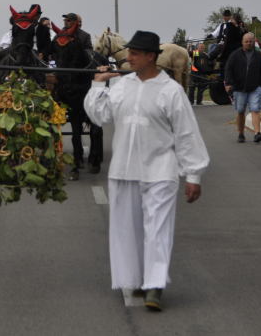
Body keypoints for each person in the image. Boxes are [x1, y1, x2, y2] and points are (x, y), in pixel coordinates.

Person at [85, 31, 209, 312]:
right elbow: (100, 116)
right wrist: (98, 85)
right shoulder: (120, 85)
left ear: (151, 56)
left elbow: (187, 134)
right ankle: (134, 279)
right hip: (123, 170)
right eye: (128, 53)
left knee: (158, 228)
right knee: (126, 230)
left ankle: (155, 285)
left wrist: (194, 175)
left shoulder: (171, 91)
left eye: (135, 53)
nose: (128, 57)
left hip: (161, 171)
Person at [225, 33, 261, 143]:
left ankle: (257, 133)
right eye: (246, 41)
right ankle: (241, 134)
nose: (249, 43)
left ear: (253, 42)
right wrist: (228, 84)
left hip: (255, 88)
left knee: (255, 110)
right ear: (242, 42)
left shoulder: (259, 55)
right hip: (239, 88)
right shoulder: (235, 55)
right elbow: (228, 69)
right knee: (240, 111)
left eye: (250, 41)